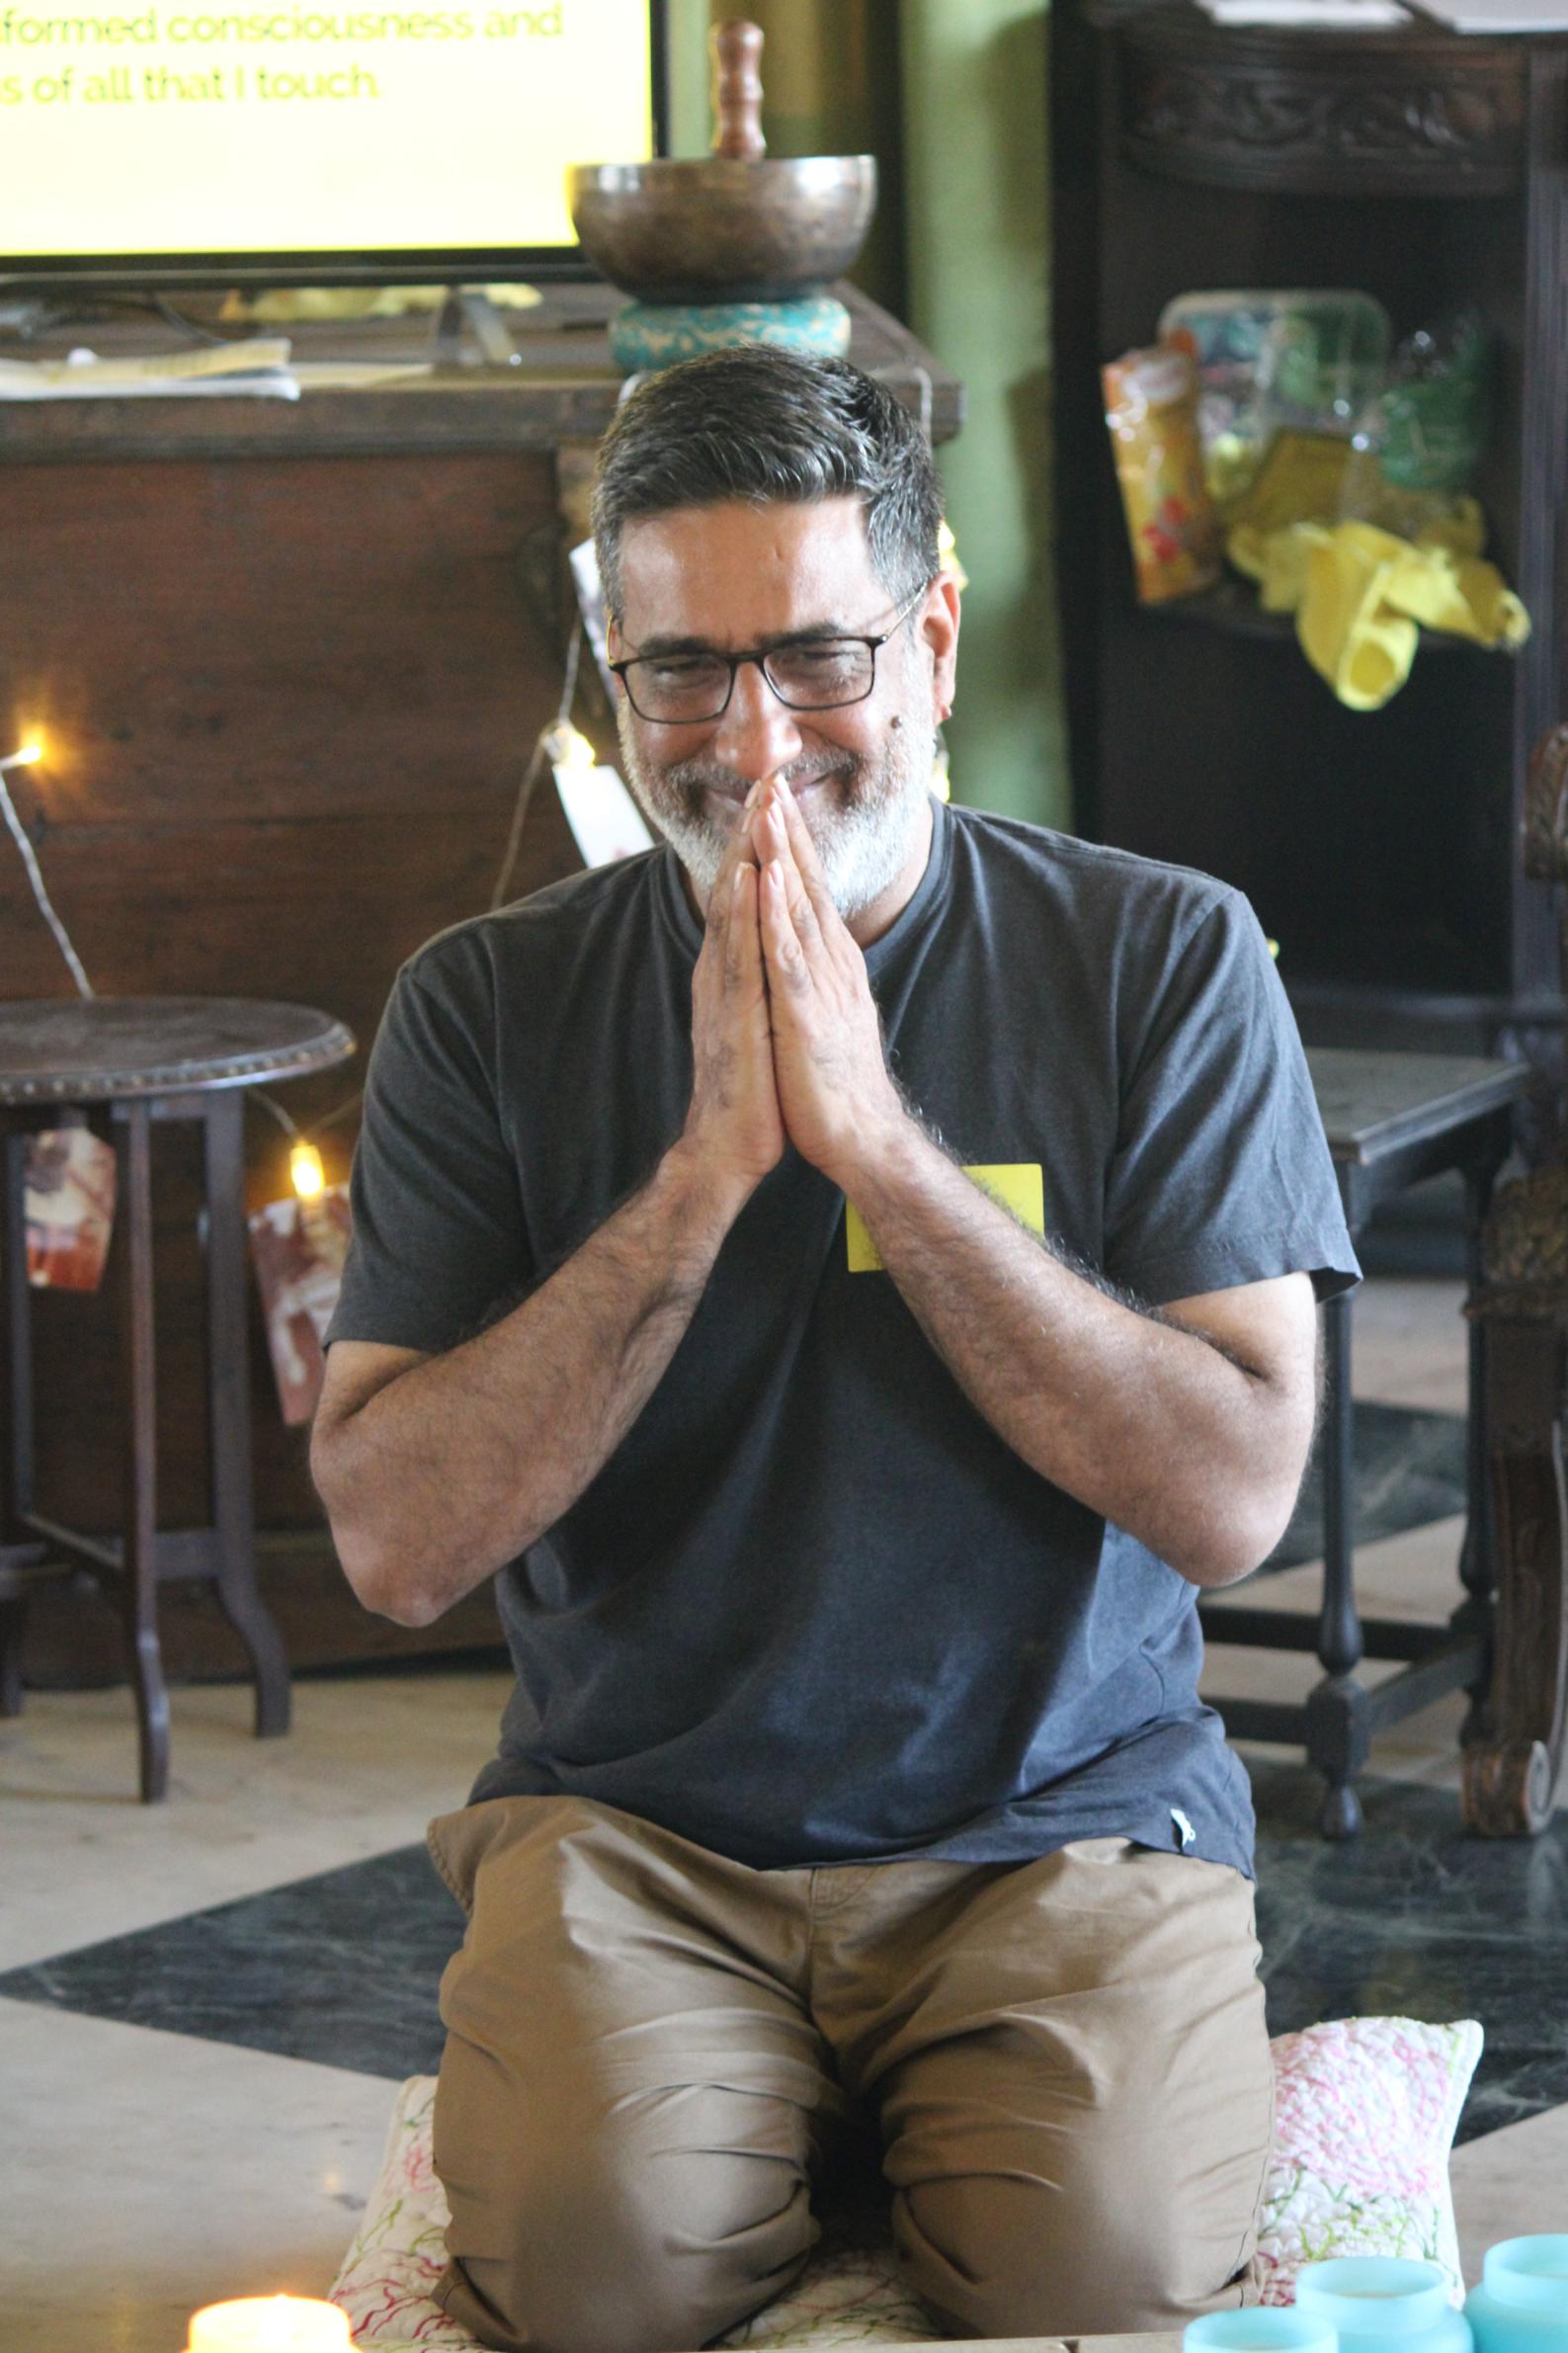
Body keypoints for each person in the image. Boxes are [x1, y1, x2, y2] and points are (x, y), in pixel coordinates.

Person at [310, 346, 1360, 2353]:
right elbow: (393, 1542)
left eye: (815, 656)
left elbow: (1232, 1496)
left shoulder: (1162, 955)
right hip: (635, 1840)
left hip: (1063, 1829)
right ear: (612, 674)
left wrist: (877, 1144)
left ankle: (902, 2135)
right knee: (597, 2271)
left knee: (1097, 2263)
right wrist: (703, 1176)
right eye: (681, 671)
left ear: (933, 638)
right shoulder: (482, 1006)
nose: (753, 739)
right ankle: (772, 2131)